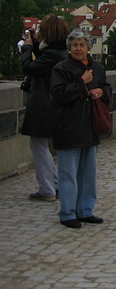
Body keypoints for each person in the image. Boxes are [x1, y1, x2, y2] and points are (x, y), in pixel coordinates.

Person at [50, 28, 111, 228]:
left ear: (88, 47)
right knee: (68, 173)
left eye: (82, 45)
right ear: (70, 48)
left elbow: (108, 89)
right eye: (75, 45)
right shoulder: (61, 68)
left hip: (90, 126)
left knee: (88, 172)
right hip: (68, 125)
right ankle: (67, 212)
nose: (78, 49)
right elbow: (58, 94)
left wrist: (101, 91)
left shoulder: (98, 67)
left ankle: (85, 209)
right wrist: (80, 82)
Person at [19, 16, 69, 202]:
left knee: (38, 146)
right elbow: (41, 63)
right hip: (53, 105)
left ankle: (47, 188)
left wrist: (25, 48)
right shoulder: (61, 51)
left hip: (43, 105)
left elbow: (29, 67)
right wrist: (35, 45)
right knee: (43, 147)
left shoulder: (53, 54)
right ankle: (54, 185)